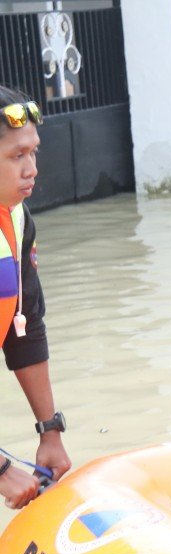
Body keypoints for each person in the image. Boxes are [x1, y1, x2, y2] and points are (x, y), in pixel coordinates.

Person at [0, 86, 72, 510]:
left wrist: (50, 431)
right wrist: (3, 471)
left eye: (34, 153)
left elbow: (24, 327)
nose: (31, 170)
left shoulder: (16, 216)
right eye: (15, 157)